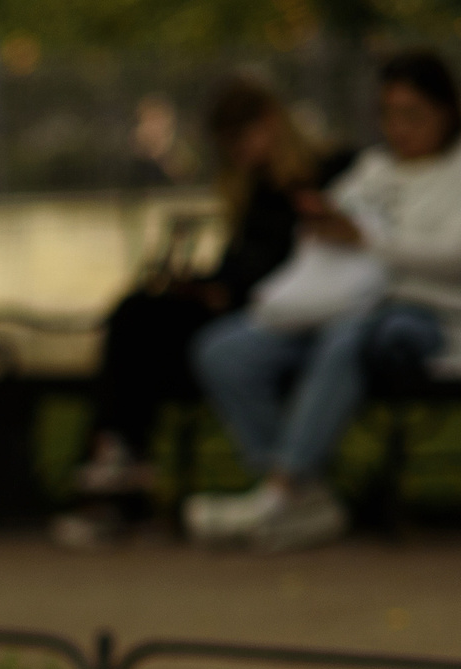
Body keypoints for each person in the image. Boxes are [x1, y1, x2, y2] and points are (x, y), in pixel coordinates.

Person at [53, 76, 350, 549]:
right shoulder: (252, 186)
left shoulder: (326, 172)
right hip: (248, 308)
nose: (235, 153)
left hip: (295, 312)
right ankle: (119, 461)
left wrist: (227, 290)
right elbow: (243, 264)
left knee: (156, 331)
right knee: (139, 318)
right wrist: (207, 285)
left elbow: (308, 260)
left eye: (240, 138)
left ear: (271, 123)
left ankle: (123, 466)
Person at [185, 49, 461, 553]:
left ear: (446, 111)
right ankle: (304, 495)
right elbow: (335, 230)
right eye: (388, 114)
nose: (398, 128)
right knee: (224, 349)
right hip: (343, 307)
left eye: (412, 115)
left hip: (428, 317)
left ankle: (282, 489)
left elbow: (452, 257)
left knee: (350, 335)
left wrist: (369, 243)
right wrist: (321, 222)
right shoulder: (374, 169)